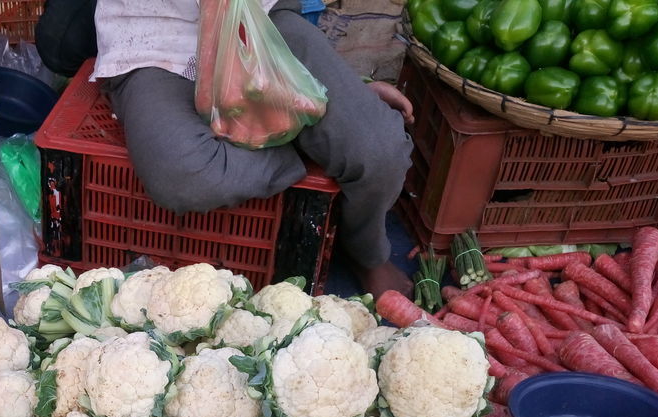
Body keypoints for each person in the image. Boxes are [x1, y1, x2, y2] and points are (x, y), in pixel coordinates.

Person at [90, 0, 415, 298]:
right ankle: (303, 146)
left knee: (378, 149)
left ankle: (367, 252)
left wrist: (349, 85)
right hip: (153, 33)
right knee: (183, 173)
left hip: (262, 17)